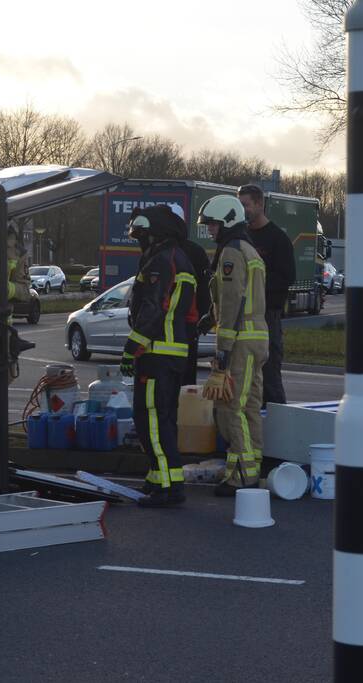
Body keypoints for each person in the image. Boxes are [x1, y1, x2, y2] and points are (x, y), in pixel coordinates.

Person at [121, 204, 198, 507]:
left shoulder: (161, 262)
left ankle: (167, 487)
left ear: (154, 234)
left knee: (151, 420)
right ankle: (160, 477)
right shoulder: (180, 258)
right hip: (172, 353)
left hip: (156, 353)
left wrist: (132, 348)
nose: (140, 241)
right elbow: (187, 314)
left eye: (142, 236)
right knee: (163, 420)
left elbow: (153, 308)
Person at [197, 195, 268, 496]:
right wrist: (209, 318)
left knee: (230, 407)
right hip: (256, 339)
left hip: (239, 341)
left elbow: (232, 301)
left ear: (227, 221)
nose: (210, 230)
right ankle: (251, 469)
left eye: (213, 224)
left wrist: (222, 348)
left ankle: (241, 476)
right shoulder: (248, 249)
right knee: (249, 407)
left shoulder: (231, 252)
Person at [237, 184, 294, 407]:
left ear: (260, 204)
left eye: (246, 205)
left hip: (267, 316)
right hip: (242, 318)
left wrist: (254, 285)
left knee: (269, 378)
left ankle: (278, 421)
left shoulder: (278, 239)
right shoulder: (241, 237)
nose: (242, 210)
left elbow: (286, 277)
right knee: (245, 380)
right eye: (239, 205)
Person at [168, 204, 213, 386]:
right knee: (185, 377)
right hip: (187, 324)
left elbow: (204, 289)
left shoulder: (157, 251)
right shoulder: (196, 251)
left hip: (177, 324)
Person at [6, 221, 34, 383]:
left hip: (0, 327)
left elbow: (24, 292)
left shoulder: (17, 250)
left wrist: (5, 289)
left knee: (5, 377)